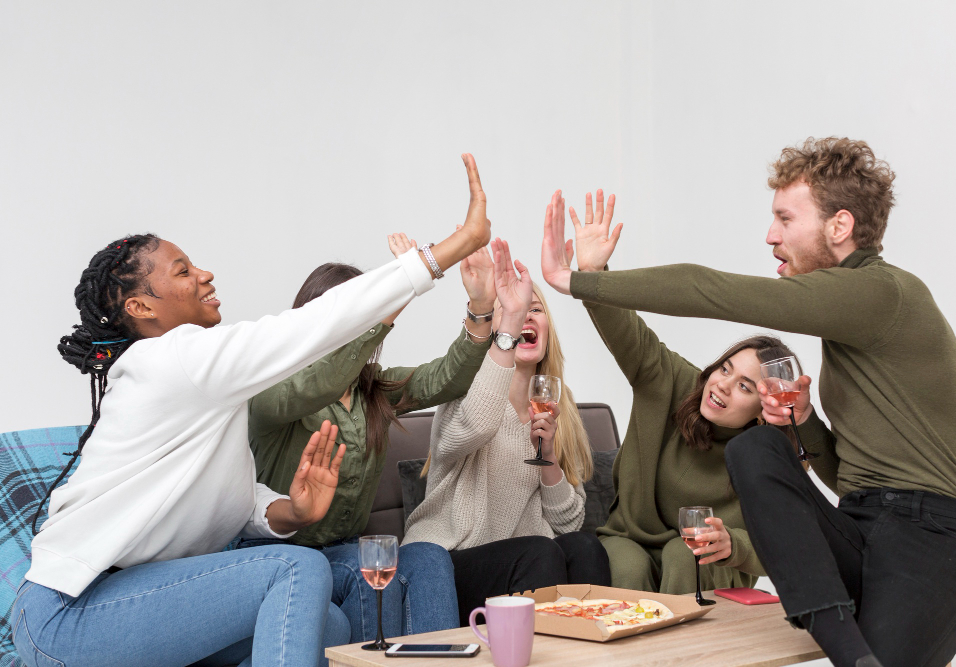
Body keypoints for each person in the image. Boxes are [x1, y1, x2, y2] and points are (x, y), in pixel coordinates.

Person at [12, 154, 491, 667]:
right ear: (141, 307)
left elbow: (237, 503)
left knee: (329, 626)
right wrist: (452, 247)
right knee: (296, 569)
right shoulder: (172, 358)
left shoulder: (202, 395)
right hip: (69, 613)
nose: (205, 274)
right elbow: (309, 327)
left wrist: (293, 512)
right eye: (183, 271)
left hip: (137, 599)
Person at [540, 138, 956, 667]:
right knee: (755, 449)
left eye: (785, 218)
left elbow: (713, 290)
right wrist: (805, 421)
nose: (771, 235)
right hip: (861, 520)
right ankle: (844, 645)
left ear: (839, 226)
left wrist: (577, 281)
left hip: (934, 532)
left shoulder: (882, 292)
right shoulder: (846, 325)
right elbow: (846, 480)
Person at [244, 233, 499, 642]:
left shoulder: (373, 389)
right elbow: (322, 380)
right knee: (369, 571)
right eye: (354, 314)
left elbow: (447, 379)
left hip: (349, 548)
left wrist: (481, 309)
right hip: (280, 555)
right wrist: (408, 280)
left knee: (428, 555)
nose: (358, 325)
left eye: (364, 312)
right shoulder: (273, 389)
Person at [403, 238, 611, 623]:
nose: (526, 317)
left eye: (536, 310)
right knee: (539, 553)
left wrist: (548, 456)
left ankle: (591, 650)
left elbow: (567, 522)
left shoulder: (558, 407)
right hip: (447, 563)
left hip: (526, 560)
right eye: (514, 312)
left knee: (586, 548)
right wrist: (504, 330)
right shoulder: (463, 389)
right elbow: (475, 426)